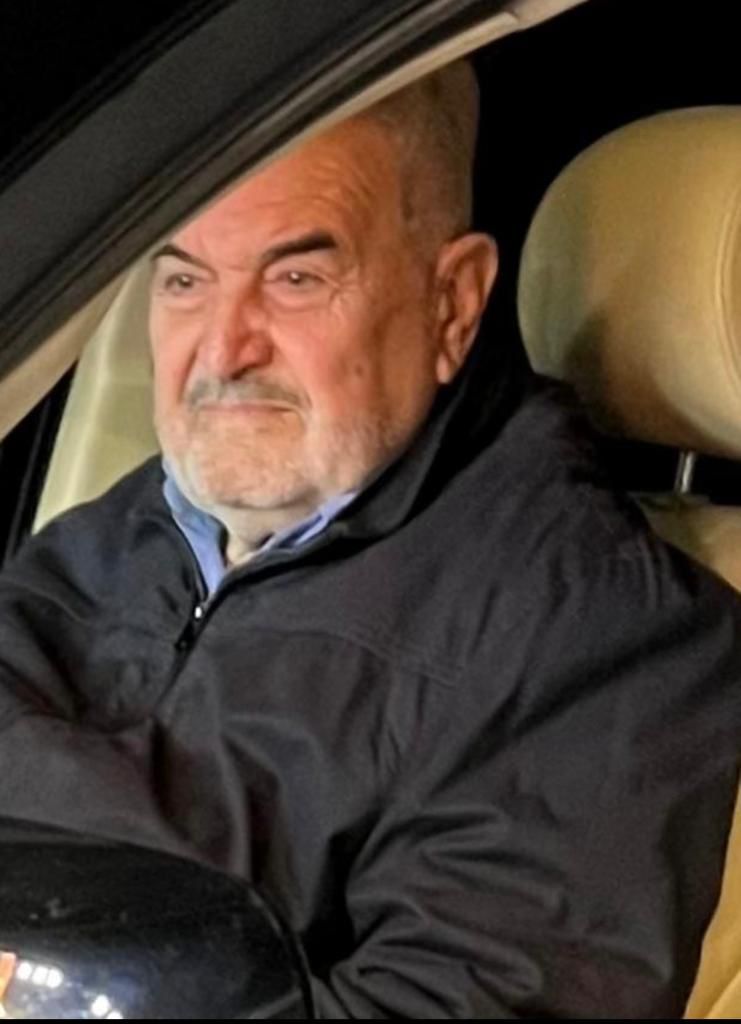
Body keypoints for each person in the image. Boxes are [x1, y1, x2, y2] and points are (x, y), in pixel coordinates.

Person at [0, 60, 739, 1018]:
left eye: (296, 278)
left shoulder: (599, 639)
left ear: (452, 303)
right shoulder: (147, 520)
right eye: (184, 280)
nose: (222, 349)